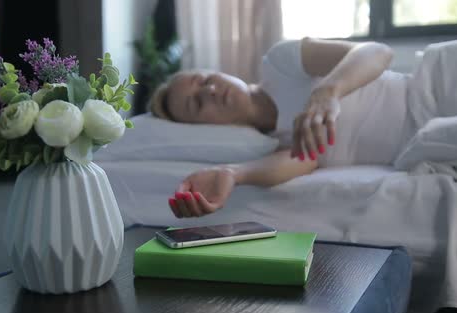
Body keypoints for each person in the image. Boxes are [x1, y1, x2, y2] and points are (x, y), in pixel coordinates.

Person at [149, 37, 410, 218]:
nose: (212, 91)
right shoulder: (271, 141)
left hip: (427, 97)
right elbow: (307, 161)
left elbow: (379, 52)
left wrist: (329, 91)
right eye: (197, 103)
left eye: (204, 80)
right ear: (201, 128)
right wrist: (232, 174)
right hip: (415, 146)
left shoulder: (280, 64)